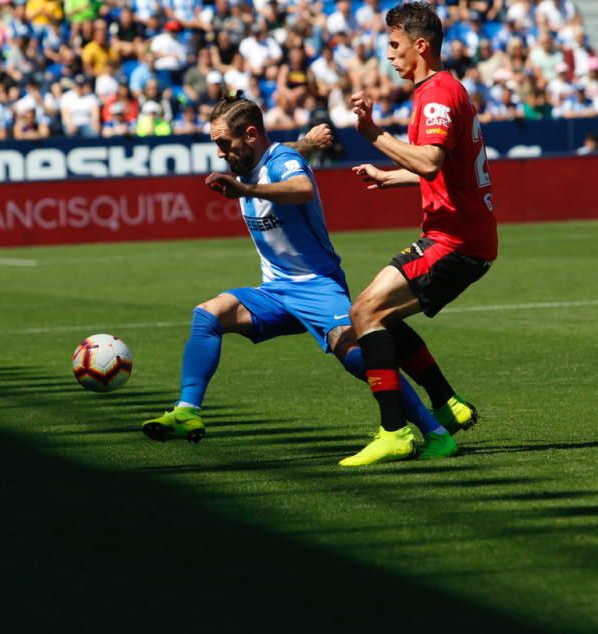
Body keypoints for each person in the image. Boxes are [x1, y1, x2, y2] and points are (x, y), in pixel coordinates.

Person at [141, 91, 453, 457]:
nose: (221, 153)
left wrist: (245, 189)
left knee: (357, 356)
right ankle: (187, 412)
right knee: (208, 315)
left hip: (317, 285)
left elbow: (302, 188)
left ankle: (435, 433)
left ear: (251, 135)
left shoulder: (273, 166)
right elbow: (285, 148)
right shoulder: (257, 158)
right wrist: (310, 141)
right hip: (276, 291)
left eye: (224, 143)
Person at [343, 1, 497, 466]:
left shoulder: (435, 96)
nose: (388, 54)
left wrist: (373, 133)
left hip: (456, 241)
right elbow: (443, 169)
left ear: (420, 46)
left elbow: (429, 160)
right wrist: (389, 176)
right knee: (378, 315)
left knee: (365, 312)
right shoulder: (442, 90)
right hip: (462, 237)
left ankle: (394, 431)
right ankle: (446, 405)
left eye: (394, 45)